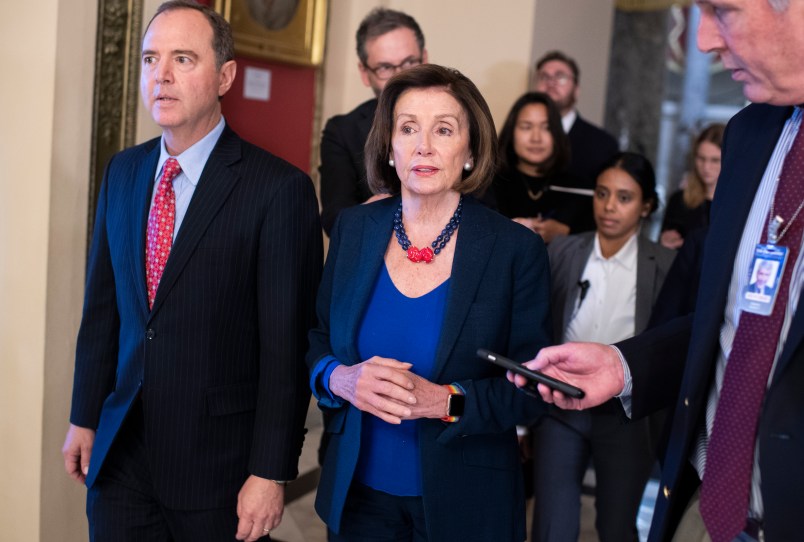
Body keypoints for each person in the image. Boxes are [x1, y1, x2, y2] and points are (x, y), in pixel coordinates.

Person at [511, 1, 804, 541]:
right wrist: (625, 366)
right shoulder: (749, 135)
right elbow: (731, 326)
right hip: (704, 503)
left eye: (723, 10)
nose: (703, 41)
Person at [61, 2, 322, 540]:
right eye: (151, 59)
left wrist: (271, 470)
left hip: (218, 469)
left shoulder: (278, 191)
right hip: (122, 458)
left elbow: (284, 350)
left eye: (183, 58)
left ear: (225, 75)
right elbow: (103, 309)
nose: (162, 75)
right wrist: (84, 415)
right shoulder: (125, 171)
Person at [307, 64, 551, 541]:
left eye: (443, 129)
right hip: (359, 499)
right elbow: (317, 340)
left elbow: (529, 391)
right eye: (408, 128)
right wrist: (342, 379)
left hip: (466, 501)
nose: (424, 146)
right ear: (390, 148)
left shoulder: (514, 250)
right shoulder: (354, 231)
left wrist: (445, 402)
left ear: (470, 150)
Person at [531, 152, 675, 542]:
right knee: (552, 523)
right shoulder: (563, 251)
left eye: (624, 197)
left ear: (646, 205)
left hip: (625, 414)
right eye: (602, 193)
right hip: (560, 405)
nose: (609, 207)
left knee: (616, 525)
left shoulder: (665, 264)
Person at [319, 8, 427, 235]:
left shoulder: (459, 120)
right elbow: (334, 218)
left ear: (424, 59)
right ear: (365, 73)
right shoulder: (342, 131)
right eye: (386, 67)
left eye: (409, 62)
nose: (400, 77)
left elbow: (486, 205)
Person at [492, 91, 595, 243]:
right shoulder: (490, 185)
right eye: (526, 127)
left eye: (546, 128)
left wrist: (565, 233)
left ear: (557, 134)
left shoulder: (580, 190)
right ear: (511, 132)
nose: (536, 138)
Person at [533, 50, 619, 189]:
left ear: (576, 90)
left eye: (560, 77)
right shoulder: (516, 137)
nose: (551, 83)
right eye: (544, 77)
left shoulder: (602, 144)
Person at [660, 123, 725, 249]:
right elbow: (661, 254)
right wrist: (665, 243)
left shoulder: (739, 205)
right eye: (701, 158)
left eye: (715, 160)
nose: (706, 167)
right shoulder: (679, 200)